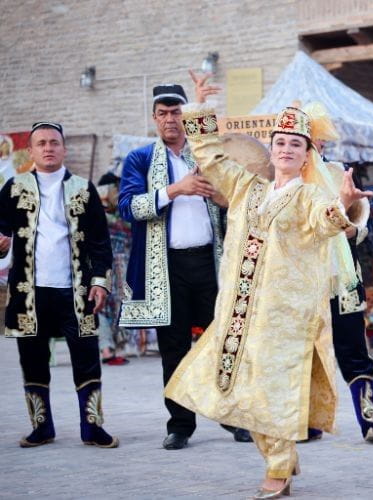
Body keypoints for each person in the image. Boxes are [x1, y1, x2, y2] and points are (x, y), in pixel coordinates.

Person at [165, 73, 372, 498]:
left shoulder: (311, 197)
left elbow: (328, 222)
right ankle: (281, 458)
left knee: (274, 393)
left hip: (286, 317)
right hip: (239, 313)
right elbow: (211, 158)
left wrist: (345, 203)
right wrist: (200, 108)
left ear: (306, 154)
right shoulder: (247, 188)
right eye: (280, 142)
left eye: (296, 144)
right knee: (244, 391)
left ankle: (277, 469)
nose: (286, 149)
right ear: (272, 148)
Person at [117, 83, 249, 448]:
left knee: (224, 342)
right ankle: (179, 425)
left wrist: (222, 198)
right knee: (174, 347)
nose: (170, 119)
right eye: (163, 113)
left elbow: (233, 200)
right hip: (166, 267)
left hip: (210, 263)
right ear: (154, 118)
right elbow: (127, 208)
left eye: (176, 112)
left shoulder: (205, 154)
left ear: (185, 117)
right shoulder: (140, 159)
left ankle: (232, 417)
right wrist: (176, 189)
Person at [0, 121, 118, 448]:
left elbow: (99, 242)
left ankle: (92, 427)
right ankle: (42, 427)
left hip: (76, 293)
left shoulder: (83, 187)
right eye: (42, 143)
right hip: (28, 294)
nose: (49, 148)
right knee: (33, 360)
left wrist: (100, 283)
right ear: (32, 150)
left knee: (86, 358)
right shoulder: (13, 187)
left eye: (54, 142)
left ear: (64, 149)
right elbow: (1, 229)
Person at [315, 142, 373, 443]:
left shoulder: (340, 173)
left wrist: (355, 231)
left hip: (344, 280)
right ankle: (308, 424)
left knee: (354, 351)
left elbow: (363, 221)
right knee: (304, 355)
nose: (313, 145)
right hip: (305, 281)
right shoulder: (286, 179)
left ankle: (369, 420)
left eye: (317, 140)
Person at [96, 171, 130, 366]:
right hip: (102, 263)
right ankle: (107, 349)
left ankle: (111, 347)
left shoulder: (120, 213)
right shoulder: (97, 213)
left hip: (120, 265)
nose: (117, 192)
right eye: (115, 188)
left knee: (116, 306)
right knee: (102, 306)